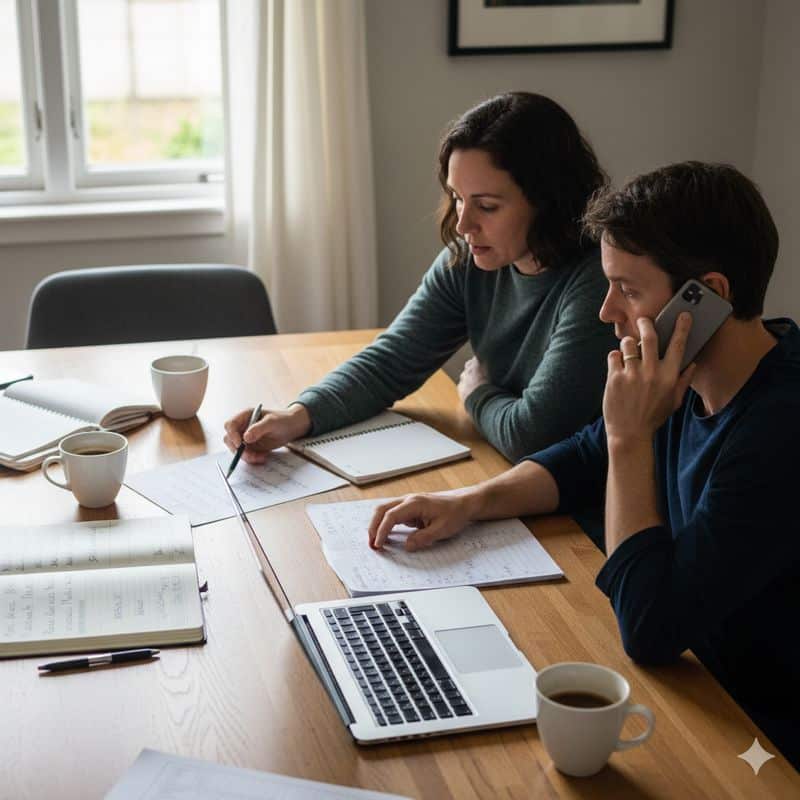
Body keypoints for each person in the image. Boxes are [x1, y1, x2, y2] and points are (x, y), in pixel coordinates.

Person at [366, 162, 800, 771]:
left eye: (628, 290)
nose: (606, 311)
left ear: (708, 297)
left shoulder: (779, 430)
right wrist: (468, 503)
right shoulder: (685, 374)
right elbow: (582, 456)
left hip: (757, 739)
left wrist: (629, 437)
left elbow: (650, 629)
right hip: (694, 687)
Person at [224, 92, 616, 465]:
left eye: (486, 206)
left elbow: (533, 436)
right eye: (458, 198)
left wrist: (477, 393)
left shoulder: (600, 283)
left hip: (583, 495)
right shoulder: (468, 261)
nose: (463, 224)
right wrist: (296, 416)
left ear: (547, 201)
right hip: (509, 469)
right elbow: (390, 362)